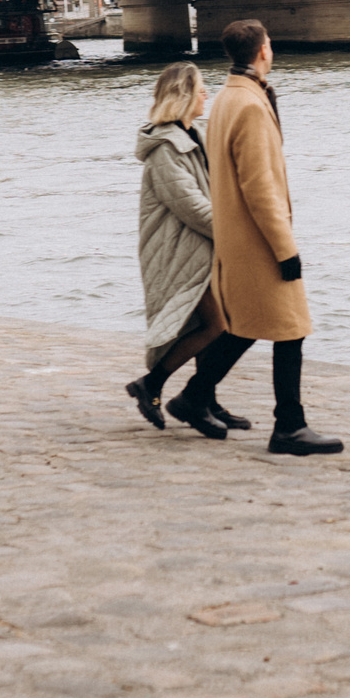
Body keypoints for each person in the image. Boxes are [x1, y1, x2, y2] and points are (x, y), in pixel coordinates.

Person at [165, 18, 341, 455]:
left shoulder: (227, 97)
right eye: (270, 43)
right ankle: (289, 427)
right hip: (260, 239)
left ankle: (192, 397)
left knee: (247, 327)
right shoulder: (249, 104)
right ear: (264, 50)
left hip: (238, 239)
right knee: (290, 329)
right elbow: (259, 187)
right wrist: (286, 249)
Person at [125, 63, 231, 429]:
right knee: (218, 325)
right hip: (179, 251)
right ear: (184, 96)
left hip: (201, 247)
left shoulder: (194, 136)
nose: (207, 96)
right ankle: (150, 385)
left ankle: (205, 401)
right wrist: (239, 233)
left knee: (207, 322)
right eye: (202, 90)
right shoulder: (165, 148)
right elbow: (191, 206)